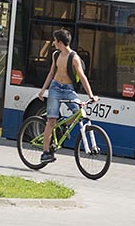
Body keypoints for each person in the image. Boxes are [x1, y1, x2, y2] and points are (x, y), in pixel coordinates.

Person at [36, 29, 97, 164]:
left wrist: (91, 95)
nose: (53, 43)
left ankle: (64, 126)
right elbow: (51, 73)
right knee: (51, 121)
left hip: (68, 89)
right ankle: (45, 152)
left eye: (54, 40)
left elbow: (82, 76)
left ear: (60, 42)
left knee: (80, 112)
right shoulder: (55, 55)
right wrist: (42, 90)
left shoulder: (74, 58)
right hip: (55, 88)